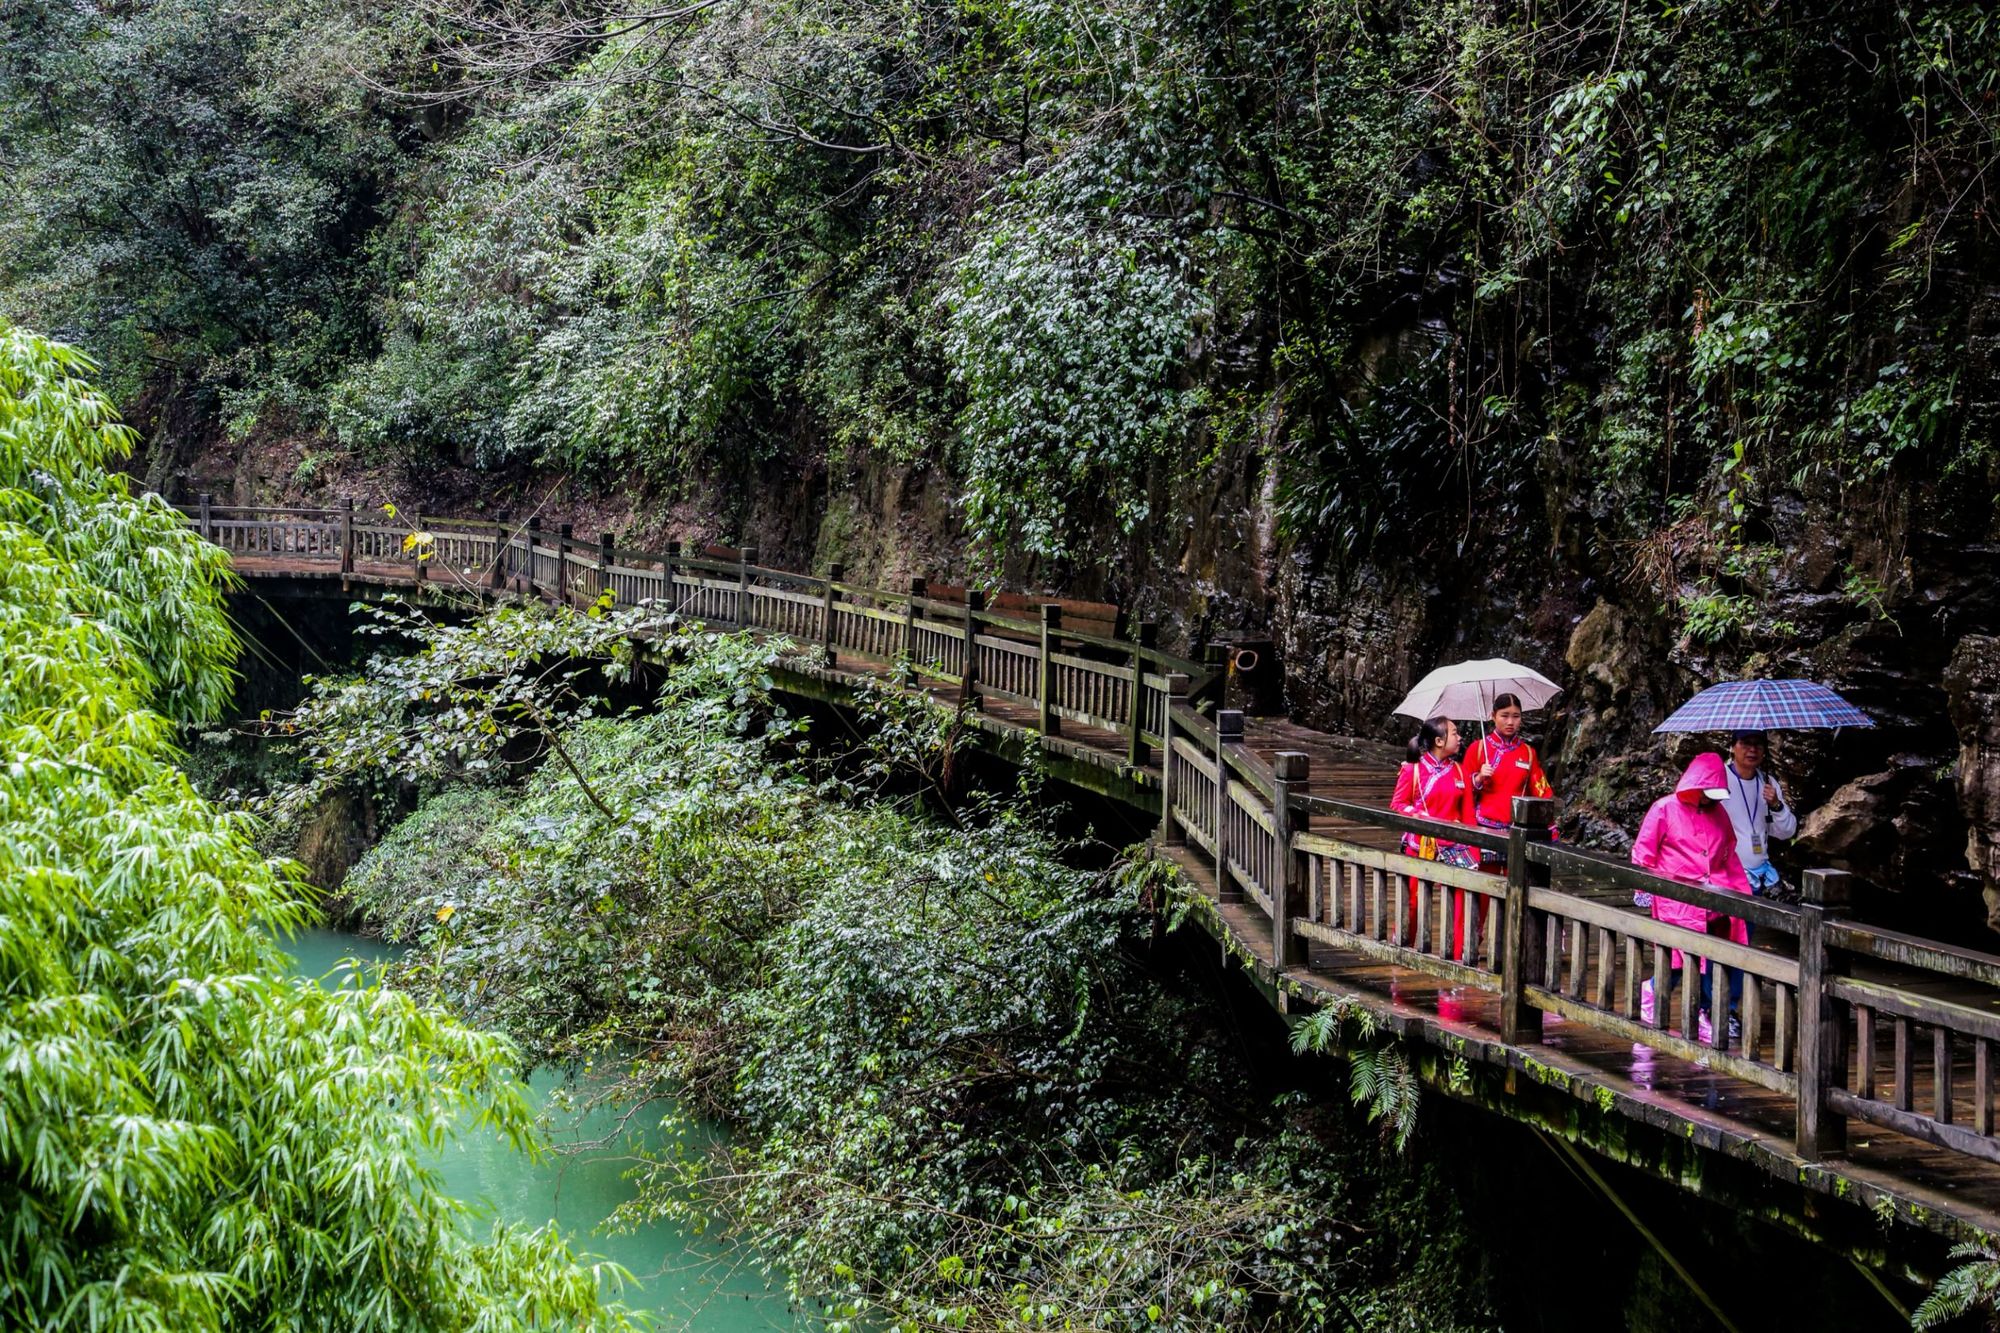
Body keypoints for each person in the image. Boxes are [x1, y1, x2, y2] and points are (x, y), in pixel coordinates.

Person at [1630, 752, 1753, 1042]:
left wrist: (1740, 892)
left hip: (1712, 901)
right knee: (1677, 959)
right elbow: (1644, 851)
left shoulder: (1719, 813)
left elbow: (1727, 854)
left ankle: (1706, 1013)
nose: (1710, 799)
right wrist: (1645, 889)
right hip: (1677, 900)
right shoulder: (1664, 809)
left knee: (1710, 960)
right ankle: (1651, 994)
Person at [1390, 716, 1479, 960]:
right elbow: (1398, 804)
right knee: (1414, 900)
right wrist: (1419, 816)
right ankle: (1404, 945)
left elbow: (1469, 814)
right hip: (1421, 843)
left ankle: (1459, 951)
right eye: (1454, 733)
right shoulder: (1413, 769)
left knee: (1462, 896)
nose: (1459, 737)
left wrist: (1475, 848)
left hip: (1453, 846)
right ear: (1439, 741)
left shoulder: (1461, 770)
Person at [1463, 693, 1558, 866]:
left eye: (1516, 716)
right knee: (1484, 886)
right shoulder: (1477, 749)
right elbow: (1461, 790)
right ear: (1493, 716)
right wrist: (1478, 778)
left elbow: (1542, 794)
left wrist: (1550, 828)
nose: (1510, 722)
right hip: (1482, 828)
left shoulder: (1528, 753)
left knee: (1515, 885)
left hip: (1515, 831)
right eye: (1504, 716)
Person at [1721, 729, 1797, 898]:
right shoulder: (1719, 779)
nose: (1752, 749)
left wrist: (1776, 805)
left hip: (1761, 875)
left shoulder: (1768, 784)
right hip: (1727, 876)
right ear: (1733, 747)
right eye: (1745, 743)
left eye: (1758, 744)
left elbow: (1787, 832)